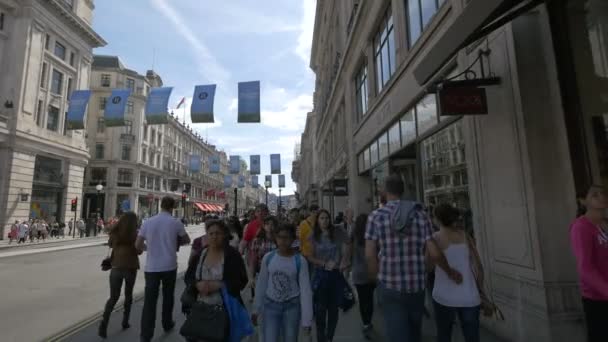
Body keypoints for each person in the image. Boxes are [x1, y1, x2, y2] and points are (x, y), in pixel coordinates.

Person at [365, 175, 463, 342]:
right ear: (402, 191)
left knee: (396, 334)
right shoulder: (420, 215)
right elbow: (435, 253)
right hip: (416, 286)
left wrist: (376, 279)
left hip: (389, 285)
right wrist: (449, 271)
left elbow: (369, 255)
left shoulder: (376, 216)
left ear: (384, 191)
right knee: (414, 333)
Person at [136, 196, 191, 342]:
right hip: (169, 265)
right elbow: (187, 240)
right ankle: (167, 323)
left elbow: (138, 246)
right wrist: (175, 241)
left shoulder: (148, 222)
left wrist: (150, 247)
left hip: (152, 267)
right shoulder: (175, 223)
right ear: (172, 207)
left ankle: (146, 335)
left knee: (149, 301)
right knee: (168, 297)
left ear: (161, 205)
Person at [428, 203, 481, 342]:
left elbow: (427, 267)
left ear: (437, 219)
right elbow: (479, 268)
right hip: (469, 296)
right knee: (472, 338)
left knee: (444, 335)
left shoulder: (434, 239)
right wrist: (480, 291)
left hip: (443, 297)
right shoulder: (466, 237)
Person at [189, 220, 248, 341]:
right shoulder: (201, 254)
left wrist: (222, 285)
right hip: (202, 309)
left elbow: (242, 280)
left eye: (218, 233)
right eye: (211, 233)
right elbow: (189, 276)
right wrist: (196, 284)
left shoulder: (232, 255)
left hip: (225, 310)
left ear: (225, 235)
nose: (214, 236)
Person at [253, 223, 313, 342]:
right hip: (270, 306)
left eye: (287, 237)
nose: (283, 241)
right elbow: (262, 285)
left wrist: (307, 320)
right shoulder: (268, 258)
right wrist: (256, 309)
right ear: (275, 238)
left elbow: (306, 291)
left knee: (290, 338)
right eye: (280, 237)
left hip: (292, 307)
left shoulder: (300, 261)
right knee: (269, 338)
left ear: (293, 240)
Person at [306, 209, 351, 342]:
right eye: (322, 218)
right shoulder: (314, 235)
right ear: (318, 221)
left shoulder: (337, 232)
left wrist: (345, 260)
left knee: (333, 310)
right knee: (320, 311)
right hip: (320, 276)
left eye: (326, 218)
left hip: (335, 275)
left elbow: (349, 243)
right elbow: (310, 256)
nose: (325, 221)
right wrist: (324, 263)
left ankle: (329, 338)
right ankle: (321, 338)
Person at [570, 185, 608, 342]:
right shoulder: (580, 227)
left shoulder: (605, 223)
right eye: (594, 195)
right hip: (597, 300)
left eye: (603, 193)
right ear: (583, 201)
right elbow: (586, 268)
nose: (601, 196)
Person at [98, 212, 141, 338]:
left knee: (113, 297)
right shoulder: (135, 234)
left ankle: (104, 324)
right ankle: (125, 321)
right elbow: (139, 251)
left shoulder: (115, 233)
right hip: (131, 267)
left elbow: (111, 245)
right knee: (128, 295)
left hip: (116, 267)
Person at [351, 213, 376, 339]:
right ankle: (369, 321)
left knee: (362, 299)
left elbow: (348, 254)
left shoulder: (353, 237)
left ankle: (365, 322)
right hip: (370, 271)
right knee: (370, 298)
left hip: (357, 273)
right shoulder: (372, 237)